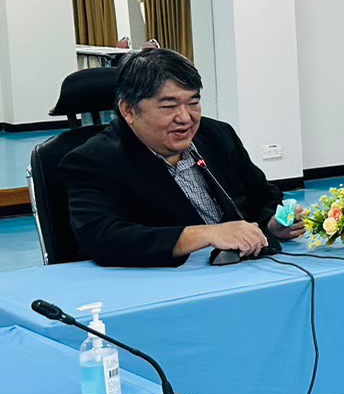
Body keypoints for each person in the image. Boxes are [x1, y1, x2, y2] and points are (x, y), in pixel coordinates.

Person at [60, 48, 305, 267]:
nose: (186, 118)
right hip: (164, 283)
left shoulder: (217, 135)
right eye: (169, 106)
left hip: (243, 269)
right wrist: (206, 234)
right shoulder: (92, 161)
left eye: (193, 103)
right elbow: (103, 237)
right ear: (129, 110)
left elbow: (263, 195)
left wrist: (273, 224)